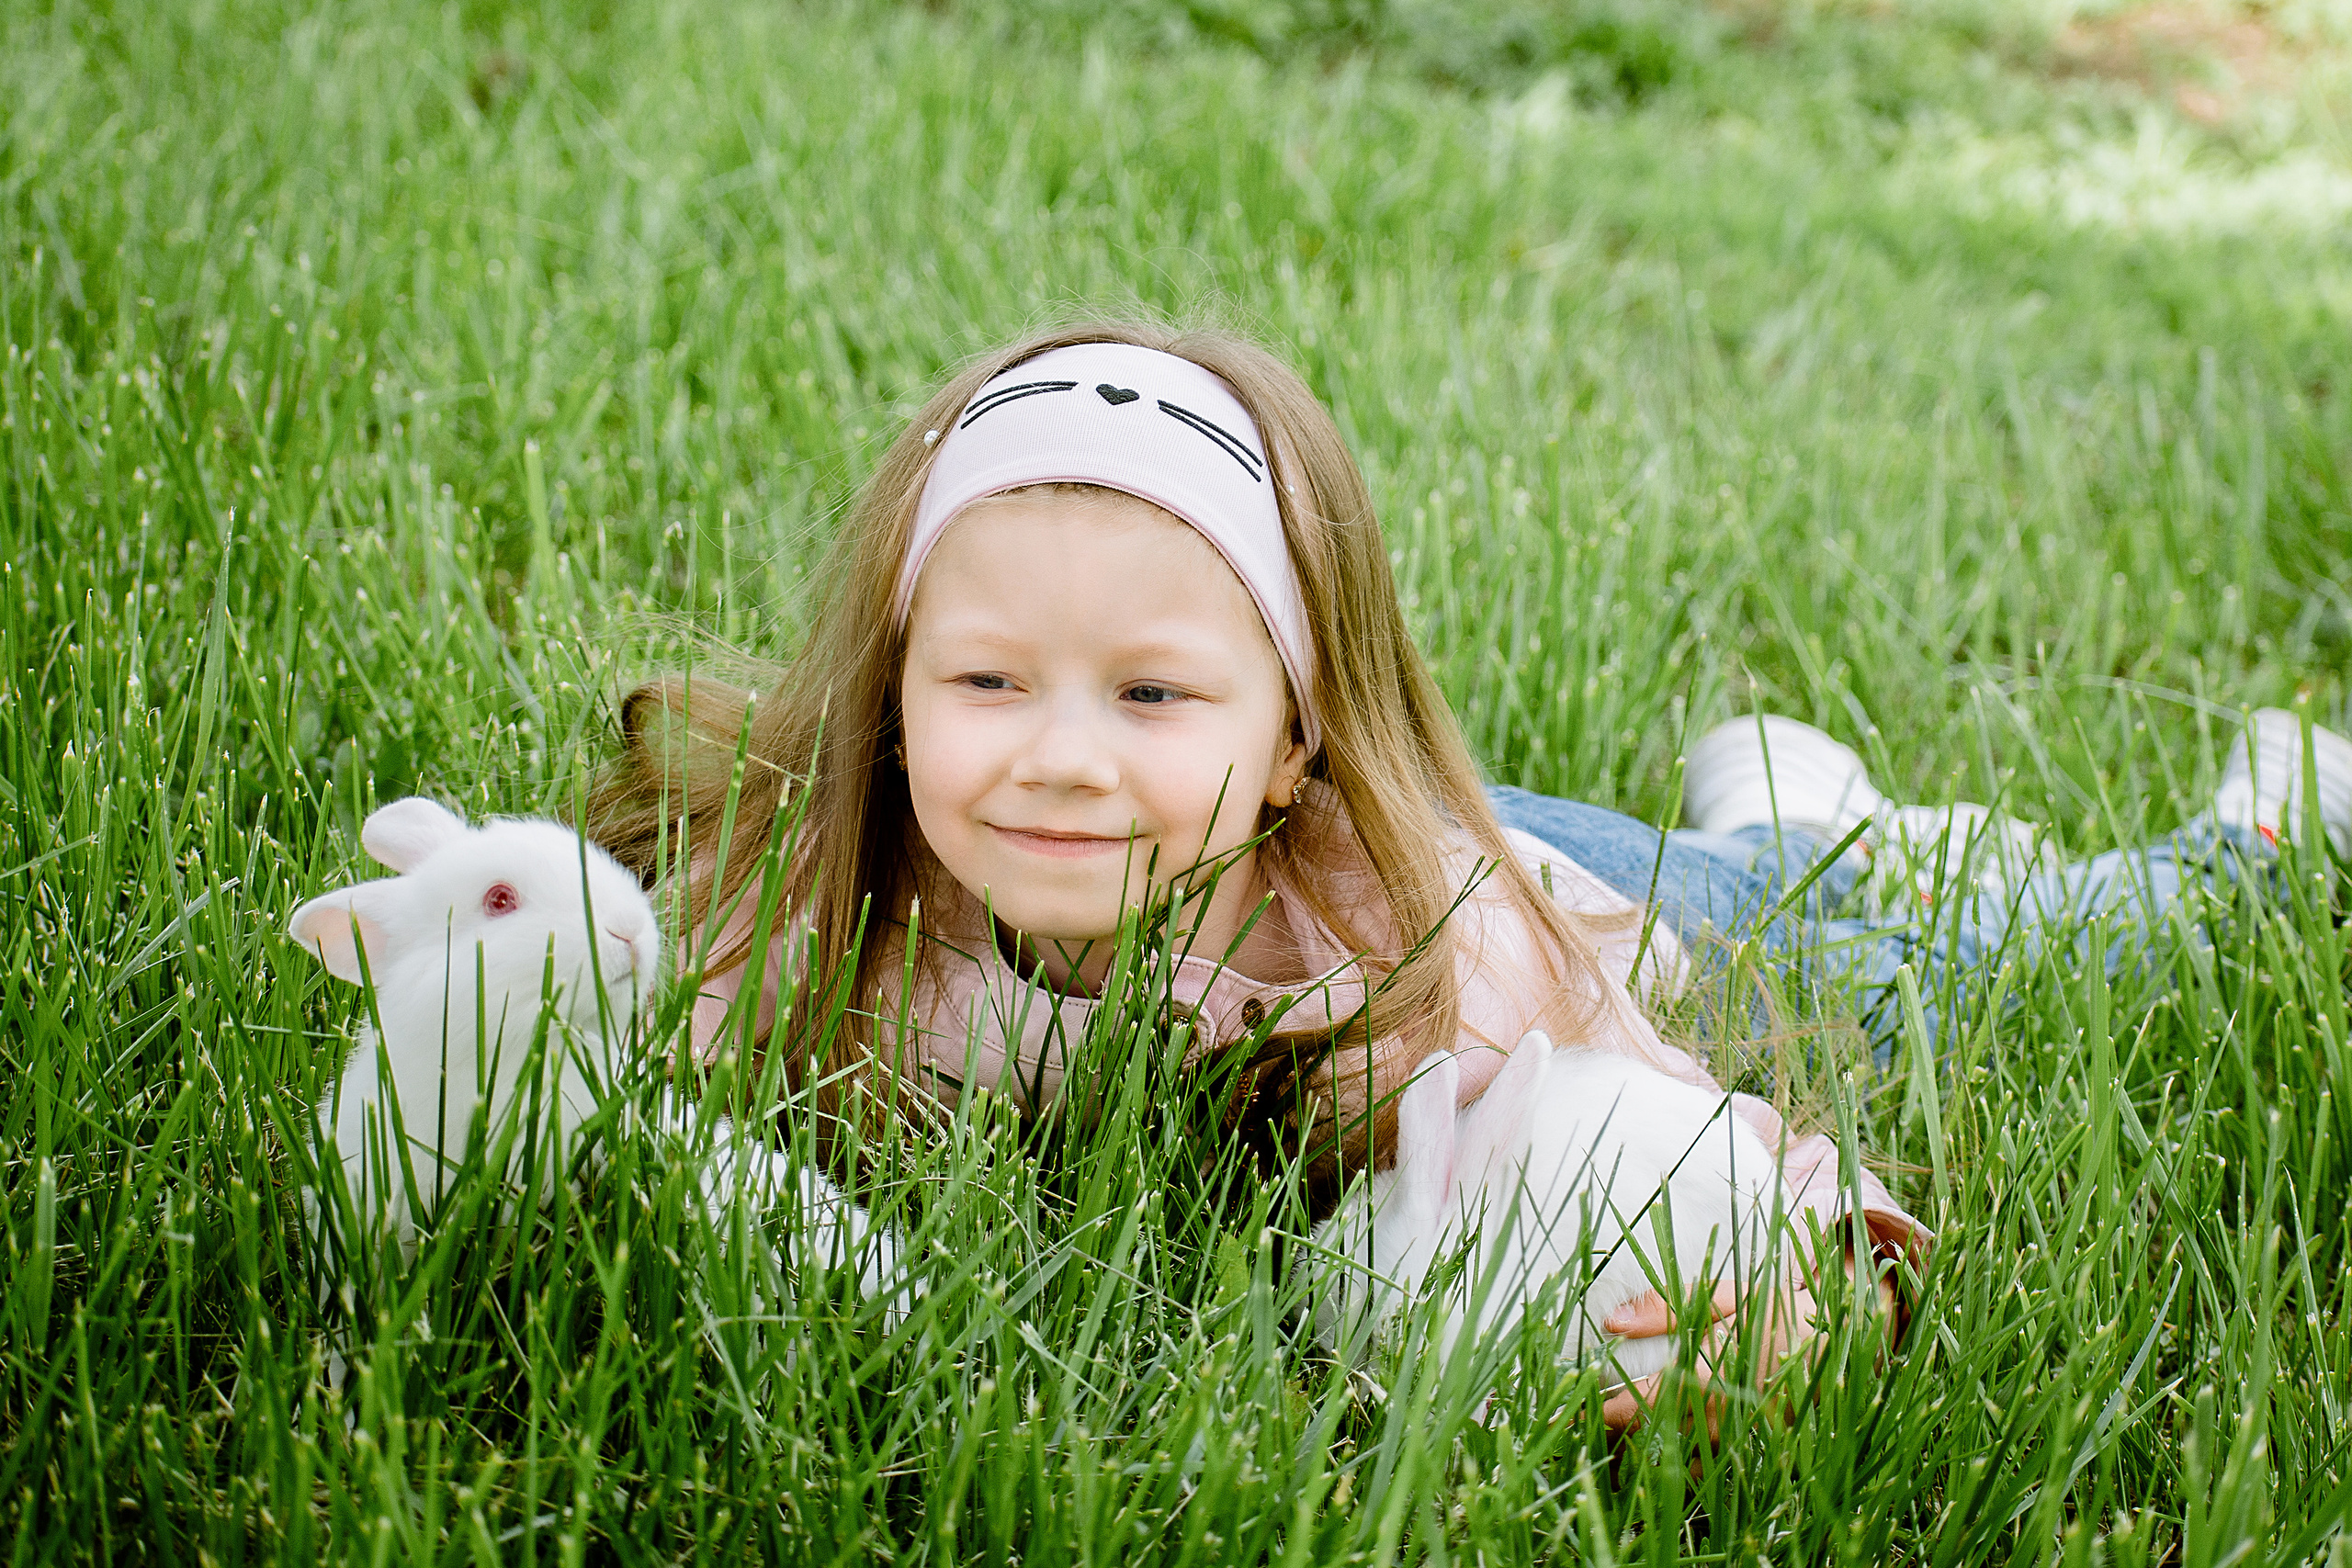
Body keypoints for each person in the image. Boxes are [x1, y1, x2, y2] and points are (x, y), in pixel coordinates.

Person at [585, 318, 2334, 1422]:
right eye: (984, 680)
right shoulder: (832, 910)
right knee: (1800, 879)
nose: (1056, 752)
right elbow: (630, 1105)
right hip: (1434, 829)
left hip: (1561, 889)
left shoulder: (1420, 938)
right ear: (894, 702)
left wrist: (1800, 1278)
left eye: (1149, 691)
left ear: (1292, 737)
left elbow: (1698, 1131)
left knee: (1921, 957)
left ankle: (2248, 835)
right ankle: (1788, 808)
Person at [1496, 706, 2352, 1053]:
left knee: (1919, 977)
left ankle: (2246, 853)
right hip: (1501, 862)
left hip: (1563, 957)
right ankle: (1804, 846)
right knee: (1694, 897)